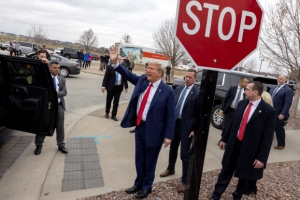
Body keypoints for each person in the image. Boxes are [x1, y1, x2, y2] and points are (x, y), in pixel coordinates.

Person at [109, 45, 176, 199]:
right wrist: (115, 63)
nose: (147, 70)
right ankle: (138, 183)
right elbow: (126, 73)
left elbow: (171, 116)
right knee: (139, 158)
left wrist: (168, 136)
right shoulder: (142, 81)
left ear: (159, 73)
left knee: (150, 161)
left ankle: (147, 187)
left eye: (151, 68)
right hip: (140, 128)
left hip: (155, 131)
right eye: (147, 68)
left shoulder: (168, 92)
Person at [212, 81, 276, 200]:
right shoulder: (242, 104)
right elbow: (232, 123)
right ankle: (216, 195)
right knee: (225, 171)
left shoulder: (268, 111)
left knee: (244, 175)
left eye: (247, 89)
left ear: (255, 92)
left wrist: (262, 158)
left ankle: (237, 196)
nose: (244, 91)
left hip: (250, 150)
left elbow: (268, 137)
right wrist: (224, 139)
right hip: (233, 144)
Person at [160, 69, 199, 193]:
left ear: (195, 79)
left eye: (190, 77)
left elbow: (199, 114)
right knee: (172, 148)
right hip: (175, 125)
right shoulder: (178, 89)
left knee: (185, 154)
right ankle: (170, 168)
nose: (187, 79)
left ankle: (185, 181)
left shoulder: (197, 93)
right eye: (186, 77)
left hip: (187, 128)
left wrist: (195, 129)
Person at [34, 61, 68, 155]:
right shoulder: (44, 79)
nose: (57, 69)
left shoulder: (62, 80)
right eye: (55, 68)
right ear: (50, 68)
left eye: (58, 68)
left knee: (60, 127)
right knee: (43, 125)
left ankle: (61, 145)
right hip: (46, 107)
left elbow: (64, 92)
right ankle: (39, 145)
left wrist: (53, 94)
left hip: (59, 106)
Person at [244, 91, 273, 196]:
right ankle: (250, 185)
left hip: (259, 143)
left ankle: (251, 186)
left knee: (255, 165)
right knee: (252, 164)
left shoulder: (267, 113)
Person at [218, 77, 249, 144]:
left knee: (234, 128)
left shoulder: (246, 92)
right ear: (240, 82)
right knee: (225, 127)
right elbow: (225, 99)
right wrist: (221, 109)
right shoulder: (232, 89)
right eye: (245, 82)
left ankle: (229, 141)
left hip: (238, 112)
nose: (247, 84)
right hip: (229, 110)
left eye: (247, 82)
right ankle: (223, 139)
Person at [269, 74, 293, 150]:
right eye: (278, 78)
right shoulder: (273, 88)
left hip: (279, 114)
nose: (279, 80)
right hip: (270, 112)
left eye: (281, 79)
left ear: (285, 80)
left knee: (279, 129)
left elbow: (287, 103)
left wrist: (283, 113)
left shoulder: (288, 90)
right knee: (269, 128)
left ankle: (281, 144)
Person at [102, 57, 128, 121]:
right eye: (117, 59)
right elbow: (106, 77)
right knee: (109, 100)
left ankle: (114, 115)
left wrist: (126, 86)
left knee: (116, 102)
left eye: (119, 59)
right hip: (110, 86)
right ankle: (107, 112)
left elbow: (125, 78)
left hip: (118, 87)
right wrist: (103, 86)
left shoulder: (122, 68)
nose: (118, 60)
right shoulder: (109, 67)